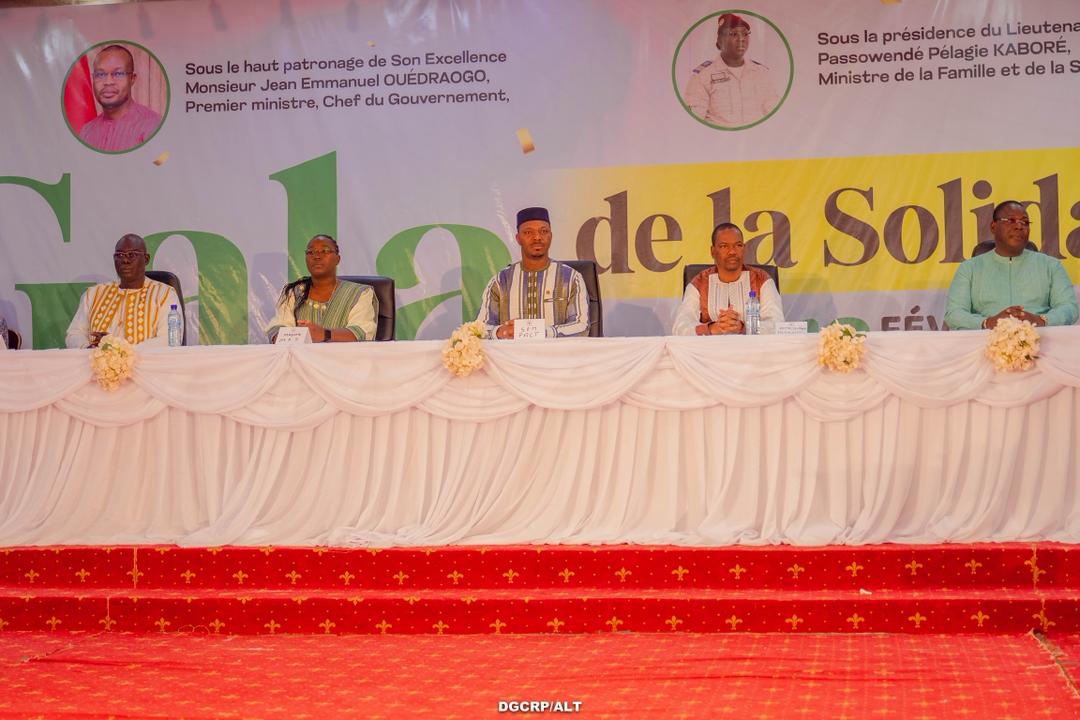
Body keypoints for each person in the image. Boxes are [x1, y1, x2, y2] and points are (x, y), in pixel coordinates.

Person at [944, 201, 1078, 330]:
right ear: (993, 226)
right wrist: (988, 323)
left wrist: (1041, 320)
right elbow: (954, 314)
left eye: (1025, 222)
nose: (1019, 226)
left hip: (1040, 339)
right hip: (985, 341)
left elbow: (1068, 308)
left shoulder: (1051, 266)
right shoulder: (969, 268)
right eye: (1011, 220)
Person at [476, 207, 589, 339]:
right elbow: (480, 328)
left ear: (551, 236)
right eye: (528, 232)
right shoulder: (500, 281)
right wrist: (500, 332)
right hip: (512, 352)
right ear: (518, 238)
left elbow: (581, 327)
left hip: (556, 352)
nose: (537, 237)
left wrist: (541, 332)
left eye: (544, 231)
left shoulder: (571, 278)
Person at [65, 234, 181, 348]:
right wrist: (88, 348)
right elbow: (74, 334)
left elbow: (168, 339)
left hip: (145, 360)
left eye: (132, 255)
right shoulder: (93, 294)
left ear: (146, 259)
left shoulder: (164, 294)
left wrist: (120, 348)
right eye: (119, 255)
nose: (125, 260)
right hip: (95, 360)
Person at [673, 223, 783, 335]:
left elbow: (777, 323)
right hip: (711, 346)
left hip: (753, 346)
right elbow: (680, 328)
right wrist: (712, 328)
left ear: (744, 249)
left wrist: (743, 328)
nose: (732, 252)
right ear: (713, 251)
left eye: (738, 245)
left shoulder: (761, 279)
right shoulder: (699, 283)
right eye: (724, 246)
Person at [267, 234, 378, 343]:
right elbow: (279, 325)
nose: (317, 256)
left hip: (344, 355)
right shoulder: (293, 292)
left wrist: (325, 334)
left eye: (325, 251)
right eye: (311, 252)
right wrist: (279, 336)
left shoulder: (359, 293)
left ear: (338, 259)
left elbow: (361, 333)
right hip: (301, 355)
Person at [684, 13, 780, 127]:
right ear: (720, 40)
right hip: (719, 137)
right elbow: (694, 122)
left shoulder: (761, 72)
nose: (741, 39)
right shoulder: (702, 76)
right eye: (734, 34)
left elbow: (774, 115)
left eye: (745, 34)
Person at [78, 44, 163, 152]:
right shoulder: (86, 132)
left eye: (118, 74)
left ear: (132, 79)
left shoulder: (152, 126)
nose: (108, 82)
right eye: (100, 74)